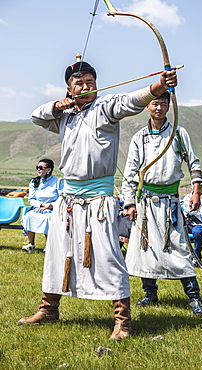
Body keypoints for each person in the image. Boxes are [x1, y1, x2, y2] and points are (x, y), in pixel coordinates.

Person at [18, 56, 177, 340]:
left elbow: (132, 100)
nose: (86, 86)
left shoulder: (105, 107)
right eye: (79, 83)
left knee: (108, 256)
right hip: (68, 201)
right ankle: (49, 309)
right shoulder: (63, 117)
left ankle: (123, 322)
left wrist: (157, 86)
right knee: (57, 253)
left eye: (91, 82)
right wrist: (58, 105)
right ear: (69, 89)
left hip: (99, 202)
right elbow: (36, 116)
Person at [122, 91, 202, 315]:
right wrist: (129, 202)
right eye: (154, 104)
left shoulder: (179, 133)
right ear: (147, 107)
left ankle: (194, 297)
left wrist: (196, 192)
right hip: (146, 203)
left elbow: (194, 163)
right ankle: (150, 294)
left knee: (179, 249)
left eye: (163, 104)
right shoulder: (139, 137)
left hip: (171, 202)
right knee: (146, 248)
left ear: (169, 106)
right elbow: (130, 171)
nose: (158, 108)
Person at [21, 159, 63, 253]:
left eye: (41, 168)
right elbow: (31, 199)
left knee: (48, 218)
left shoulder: (58, 181)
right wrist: (42, 205)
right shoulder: (34, 182)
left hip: (52, 209)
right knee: (28, 216)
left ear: (49, 170)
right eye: (37, 168)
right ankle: (31, 244)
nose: (38, 170)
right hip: (38, 208)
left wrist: (50, 205)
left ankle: (49, 245)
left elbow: (62, 198)